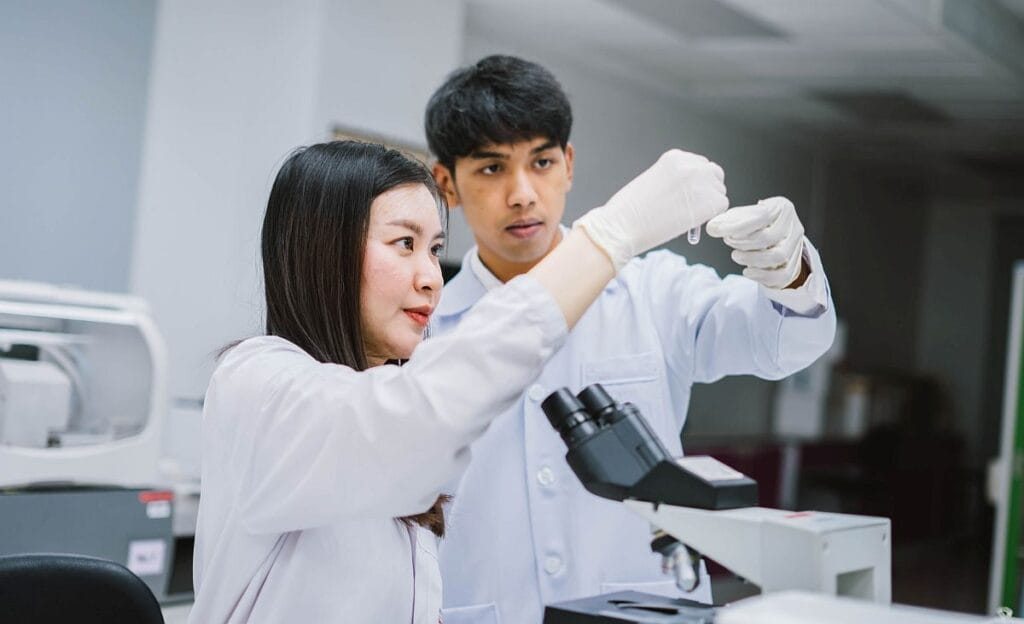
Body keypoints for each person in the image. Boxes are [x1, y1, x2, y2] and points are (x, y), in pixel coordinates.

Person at [188, 140, 726, 623]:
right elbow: (418, 415)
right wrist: (612, 236)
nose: (429, 276)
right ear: (323, 250)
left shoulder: (383, 394)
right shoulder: (256, 383)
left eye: (434, 248)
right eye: (404, 244)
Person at [424, 55, 837, 623]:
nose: (522, 193)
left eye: (541, 161)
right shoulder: (423, 327)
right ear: (446, 182)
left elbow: (778, 341)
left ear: (568, 164)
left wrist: (789, 271)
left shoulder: (654, 291)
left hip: (642, 605)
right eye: (491, 169)